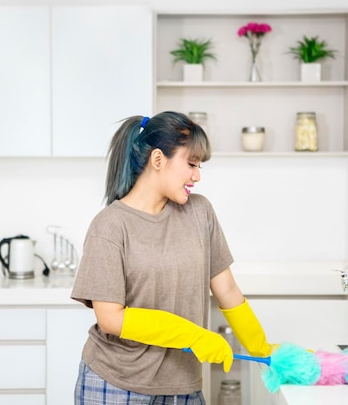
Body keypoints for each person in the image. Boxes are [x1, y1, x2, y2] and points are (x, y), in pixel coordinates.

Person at [71, 111, 273, 404]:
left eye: (199, 166)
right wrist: (191, 335)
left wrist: (261, 348)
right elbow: (110, 318)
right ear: (157, 160)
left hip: (183, 386)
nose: (197, 176)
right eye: (191, 164)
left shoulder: (199, 212)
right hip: (115, 383)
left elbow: (226, 289)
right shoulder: (111, 225)